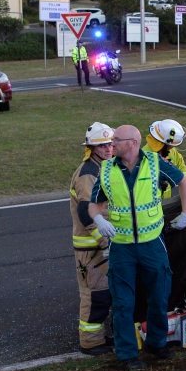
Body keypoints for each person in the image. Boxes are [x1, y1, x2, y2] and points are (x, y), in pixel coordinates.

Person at [89, 125, 186, 370]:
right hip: (122, 246)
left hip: (152, 243)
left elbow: (183, 182)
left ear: (133, 143)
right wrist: (99, 219)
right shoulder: (106, 169)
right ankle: (127, 355)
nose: (111, 144)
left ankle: (157, 344)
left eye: (116, 140)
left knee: (159, 296)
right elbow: (94, 204)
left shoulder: (155, 163)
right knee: (123, 302)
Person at [70, 122, 115, 355]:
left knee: (104, 292)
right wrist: (104, 241)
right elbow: (87, 211)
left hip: (101, 243)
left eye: (110, 144)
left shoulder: (104, 167)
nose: (108, 149)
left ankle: (97, 338)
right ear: (92, 148)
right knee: (95, 294)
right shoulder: (88, 173)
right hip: (92, 247)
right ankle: (90, 343)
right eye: (102, 146)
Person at [144, 119, 186, 200]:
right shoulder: (144, 156)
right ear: (165, 143)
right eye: (172, 145)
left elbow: (182, 169)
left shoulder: (171, 152)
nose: (174, 147)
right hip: (150, 206)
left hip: (166, 201)